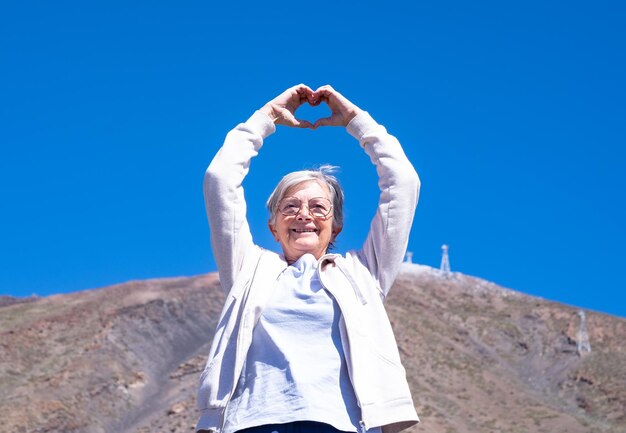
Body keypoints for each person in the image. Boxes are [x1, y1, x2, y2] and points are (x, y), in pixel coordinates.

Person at [197, 84, 420, 433]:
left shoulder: (363, 273)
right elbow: (220, 179)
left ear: (336, 225)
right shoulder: (248, 270)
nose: (304, 215)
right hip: (254, 423)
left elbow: (403, 183)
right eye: (291, 207)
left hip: (342, 424)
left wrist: (357, 123)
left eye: (318, 207)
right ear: (273, 226)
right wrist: (266, 117)